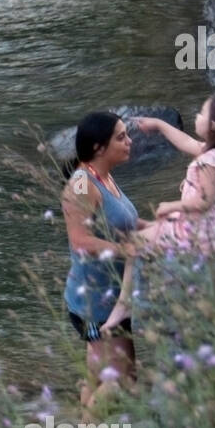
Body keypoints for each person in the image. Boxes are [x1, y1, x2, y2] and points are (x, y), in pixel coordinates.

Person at [100, 95, 215, 334]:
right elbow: (185, 141)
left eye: (202, 113)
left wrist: (172, 206)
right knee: (143, 227)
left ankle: (124, 306)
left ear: (213, 126)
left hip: (200, 233)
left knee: (133, 242)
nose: (197, 116)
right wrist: (159, 125)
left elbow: (204, 201)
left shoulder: (208, 160)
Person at [60, 112, 153, 407]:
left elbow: (125, 221)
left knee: (99, 375)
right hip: (91, 305)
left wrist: (162, 227)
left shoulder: (104, 177)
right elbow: (80, 241)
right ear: (99, 148)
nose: (130, 141)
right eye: (121, 137)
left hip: (106, 299)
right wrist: (126, 250)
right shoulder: (81, 184)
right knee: (122, 379)